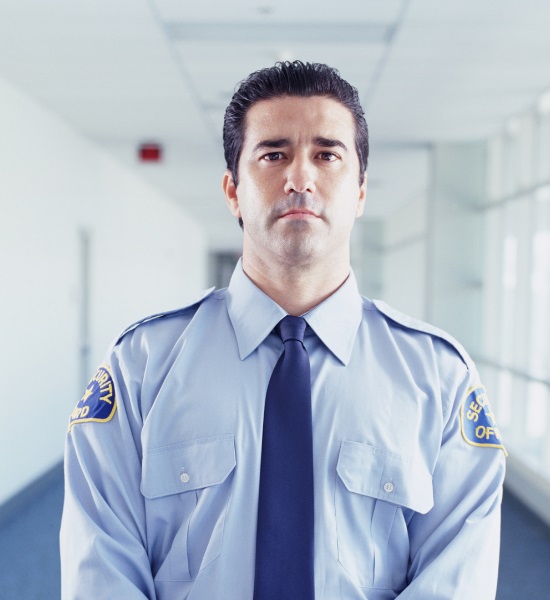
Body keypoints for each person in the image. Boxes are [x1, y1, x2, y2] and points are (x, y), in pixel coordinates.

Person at [60, 61, 506, 599]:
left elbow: (456, 577)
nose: (300, 178)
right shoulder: (140, 367)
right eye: (273, 154)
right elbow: (101, 569)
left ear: (361, 191)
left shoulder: (439, 377)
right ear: (232, 191)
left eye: (326, 154)